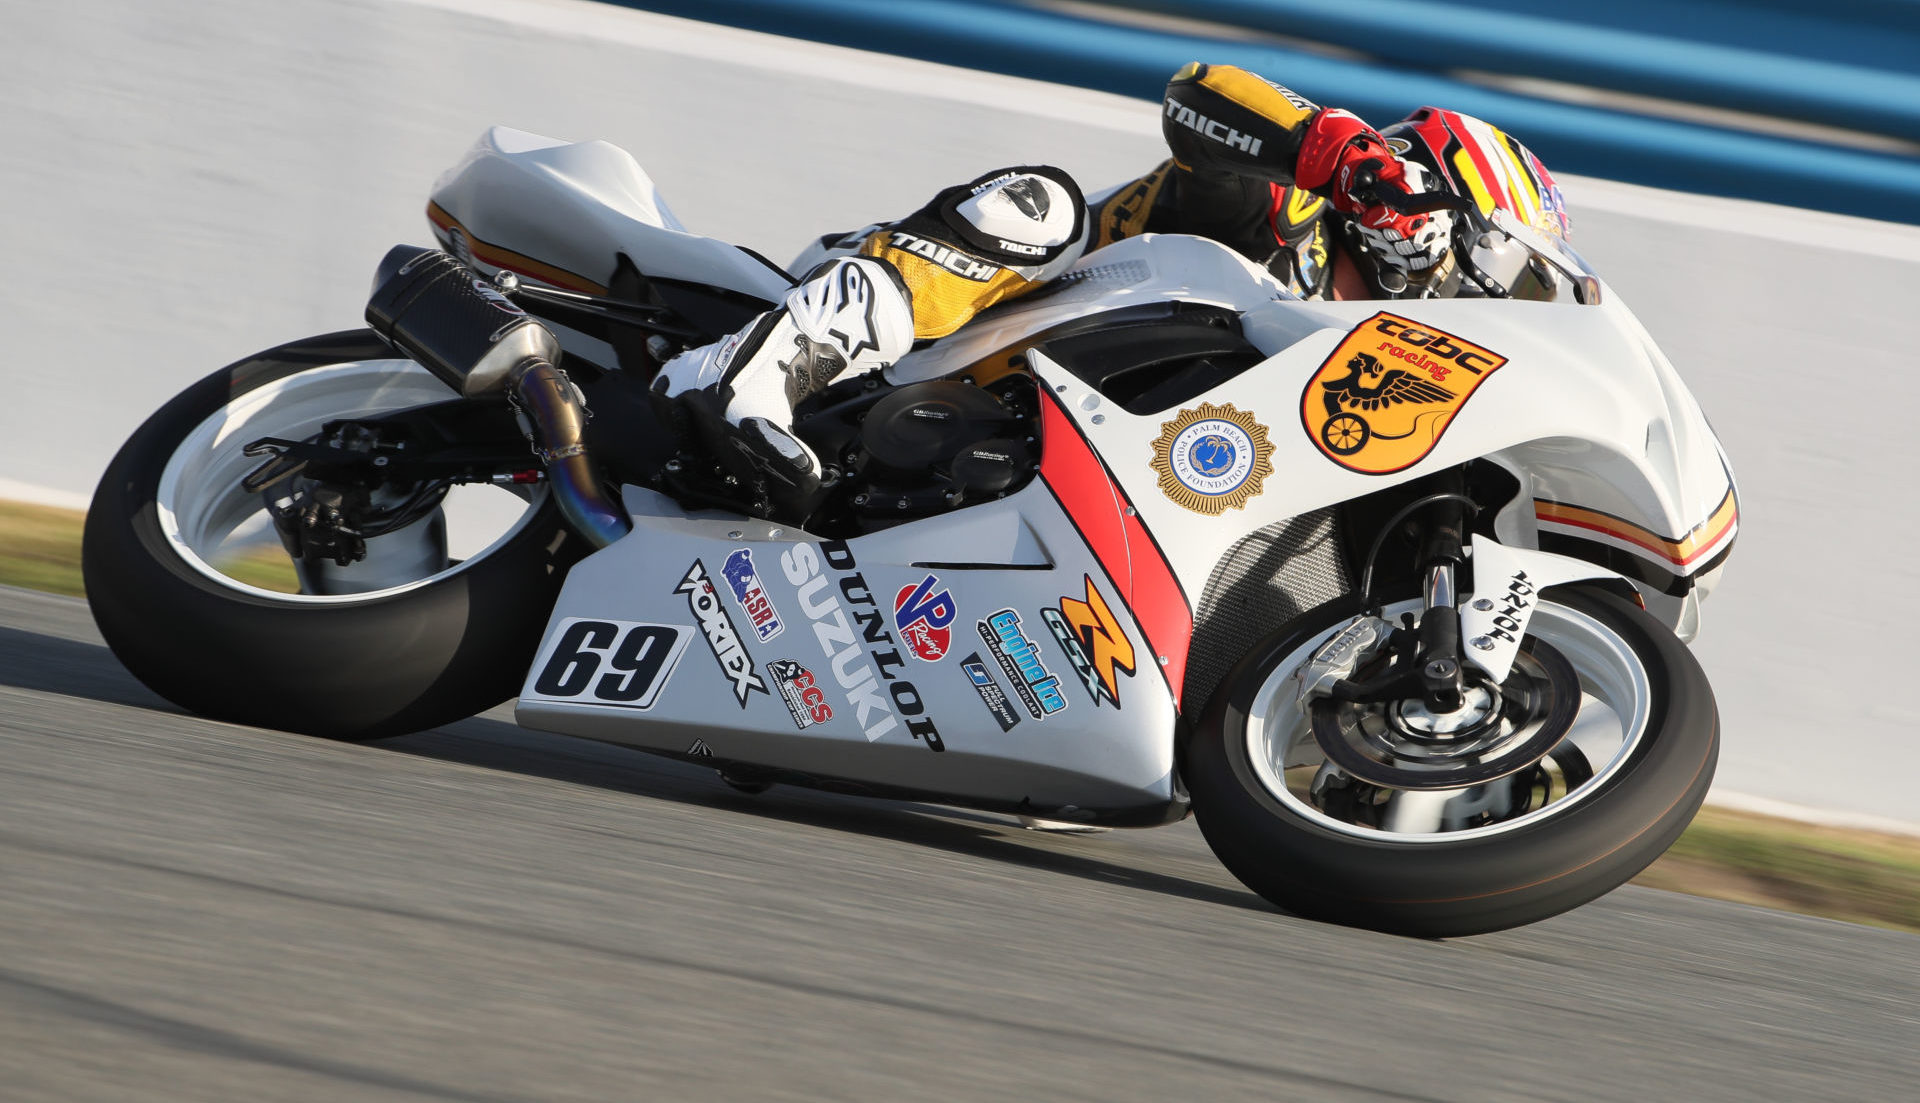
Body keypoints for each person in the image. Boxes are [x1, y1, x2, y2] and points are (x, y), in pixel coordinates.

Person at [655, 62, 1464, 499]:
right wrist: (1342, 158)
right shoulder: (1286, 220)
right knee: (1045, 207)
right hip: (927, 342)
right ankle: (751, 367)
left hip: (979, 462)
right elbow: (1199, 91)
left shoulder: (1358, 395)